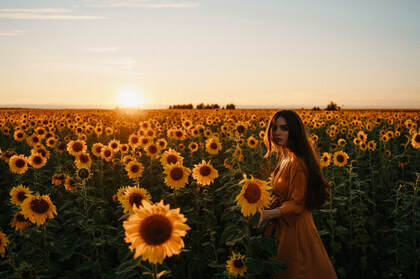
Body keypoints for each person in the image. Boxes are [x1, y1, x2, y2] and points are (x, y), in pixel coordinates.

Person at [258, 110, 338, 279]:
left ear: (294, 131)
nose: (277, 132)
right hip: (286, 225)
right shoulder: (286, 156)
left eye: (284, 128)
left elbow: (297, 203)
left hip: (296, 228)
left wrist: (268, 214)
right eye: (274, 127)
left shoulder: (297, 163)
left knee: (298, 270)